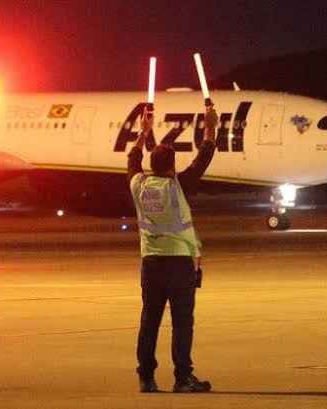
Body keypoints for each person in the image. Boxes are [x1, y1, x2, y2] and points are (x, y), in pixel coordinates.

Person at [128, 104, 218, 393]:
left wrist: (143, 133)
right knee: (182, 323)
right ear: (173, 164)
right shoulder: (178, 186)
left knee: (149, 320)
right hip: (178, 264)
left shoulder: (138, 184)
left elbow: (132, 158)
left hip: (151, 263)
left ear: (151, 164)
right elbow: (205, 155)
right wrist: (211, 125)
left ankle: (146, 377)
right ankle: (182, 377)